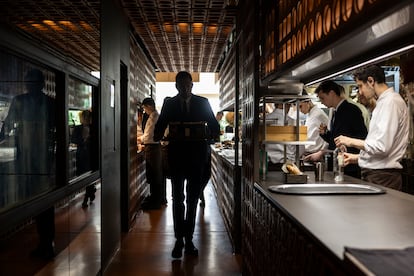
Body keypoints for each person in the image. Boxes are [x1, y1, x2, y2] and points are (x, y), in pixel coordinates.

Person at [154, 71, 220, 258]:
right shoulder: (169, 103)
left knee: (191, 199)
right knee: (177, 199)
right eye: (181, 86)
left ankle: (189, 239)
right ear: (176, 86)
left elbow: (215, 127)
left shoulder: (203, 103)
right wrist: (158, 135)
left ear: (192, 85)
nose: (185, 89)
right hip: (176, 158)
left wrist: (211, 136)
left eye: (188, 85)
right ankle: (178, 240)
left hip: (197, 158)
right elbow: (160, 126)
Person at [0, 69, 56, 259]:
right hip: (32, 157)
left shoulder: (21, 101)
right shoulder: (45, 102)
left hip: (36, 158)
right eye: (29, 83)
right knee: (37, 197)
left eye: (33, 83)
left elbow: (6, 127)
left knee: (39, 198)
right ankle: (45, 241)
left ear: (40, 84)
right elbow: (7, 126)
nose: (30, 86)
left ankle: (46, 242)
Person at [334, 64, 409, 190]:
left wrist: (350, 141)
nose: (360, 92)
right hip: (378, 175)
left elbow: (382, 146)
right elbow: (380, 148)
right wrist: (358, 158)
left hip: (383, 177)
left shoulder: (391, 103)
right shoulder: (383, 102)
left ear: (371, 81)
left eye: (360, 86)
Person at [306, 80, 368, 178]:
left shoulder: (350, 110)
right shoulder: (336, 111)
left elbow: (359, 137)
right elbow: (337, 139)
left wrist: (323, 152)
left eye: (322, 98)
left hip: (348, 166)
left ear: (331, 93)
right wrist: (325, 133)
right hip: (339, 165)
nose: (321, 102)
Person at [138, 97, 163, 210]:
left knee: (154, 174)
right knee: (154, 174)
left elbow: (148, 136)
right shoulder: (153, 116)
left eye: (144, 108)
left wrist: (139, 139)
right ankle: (155, 198)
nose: (144, 111)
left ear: (148, 106)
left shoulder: (154, 117)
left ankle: (155, 201)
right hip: (153, 148)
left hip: (153, 148)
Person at [71, 110, 96, 208]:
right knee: (83, 175)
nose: (85, 119)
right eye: (84, 117)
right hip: (81, 156)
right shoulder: (77, 128)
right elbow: (73, 139)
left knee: (89, 175)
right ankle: (91, 191)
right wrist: (83, 140)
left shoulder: (93, 128)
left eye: (87, 117)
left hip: (91, 155)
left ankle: (86, 197)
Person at [298, 92, 329, 156]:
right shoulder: (310, 114)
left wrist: (321, 153)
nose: (300, 110)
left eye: (300, 106)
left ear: (308, 101)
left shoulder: (319, 114)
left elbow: (329, 136)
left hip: (315, 154)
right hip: (308, 153)